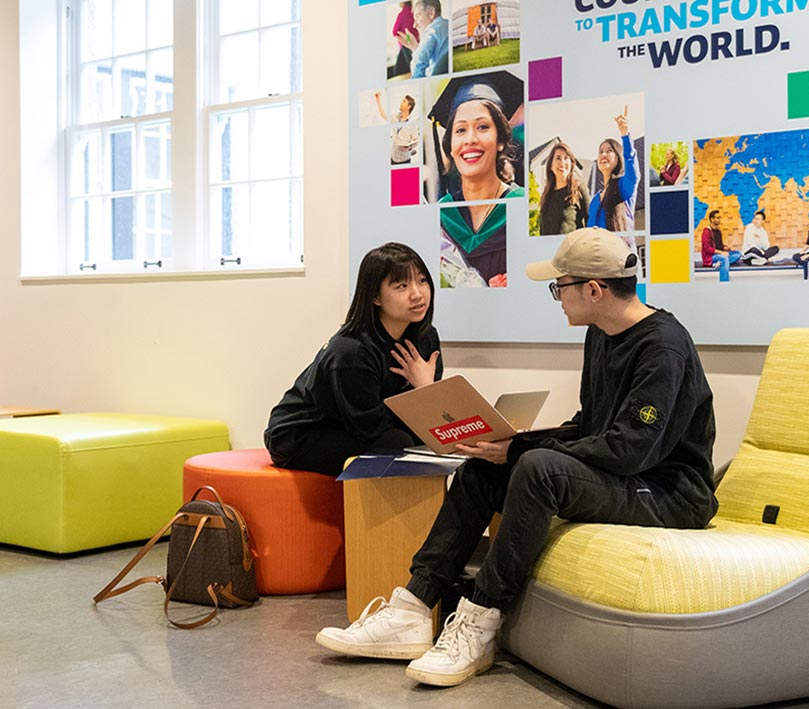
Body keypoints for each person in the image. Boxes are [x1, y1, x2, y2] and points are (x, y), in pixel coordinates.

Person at [315, 227, 718, 688]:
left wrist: (525, 449)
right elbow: (592, 427)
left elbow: (629, 449)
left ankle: (480, 622)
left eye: (558, 288)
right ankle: (412, 606)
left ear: (593, 290)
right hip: (631, 475)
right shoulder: (602, 333)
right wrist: (509, 441)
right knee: (482, 468)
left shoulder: (661, 346)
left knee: (535, 465)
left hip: (669, 493)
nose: (557, 298)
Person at [263, 244, 442, 476]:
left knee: (433, 440)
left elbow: (434, 416)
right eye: (402, 286)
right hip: (303, 433)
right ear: (376, 297)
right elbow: (370, 428)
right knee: (397, 442)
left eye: (422, 281)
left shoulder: (425, 338)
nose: (417, 294)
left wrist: (428, 390)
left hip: (354, 426)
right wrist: (425, 395)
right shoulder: (352, 351)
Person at [436, 78, 524, 286]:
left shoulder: (521, 206)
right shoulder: (441, 214)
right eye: (460, 130)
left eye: (483, 127)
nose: (470, 139)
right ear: (451, 146)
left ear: (501, 140)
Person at [588, 106, 639, 232]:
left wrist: (625, 135)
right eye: (601, 152)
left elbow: (633, 171)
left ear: (618, 157)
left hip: (621, 250)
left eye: (609, 151)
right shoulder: (594, 200)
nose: (603, 154)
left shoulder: (623, 186)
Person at [538, 141, 590, 235]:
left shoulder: (579, 188)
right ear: (551, 166)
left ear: (571, 164)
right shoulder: (546, 195)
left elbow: (590, 222)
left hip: (573, 248)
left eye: (566, 158)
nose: (562, 162)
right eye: (558, 158)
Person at [404, 0, 449, 79]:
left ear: (431, 13)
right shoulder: (448, 25)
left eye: (417, 16)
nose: (415, 25)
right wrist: (415, 48)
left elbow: (419, 64)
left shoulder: (432, 31)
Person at [700, 209, 741, 282]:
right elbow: (707, 248)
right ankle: (724, 283)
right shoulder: (706, 231)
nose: (720, 220)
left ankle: (718, 263)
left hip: (719, 255)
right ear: (712, 219)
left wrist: (727, 248)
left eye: (720, 217)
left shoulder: (718, 230)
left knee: (738, 254)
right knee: (724, 259)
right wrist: (721, 252)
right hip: (710, 257)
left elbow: (719, 246)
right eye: (718, 218)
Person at [391, 2, 419, 77]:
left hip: (406, 45)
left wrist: (406, 37)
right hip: (416, 42)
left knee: (399, 69)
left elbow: (394, 32)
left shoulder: (401, 15)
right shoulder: (415, 13)